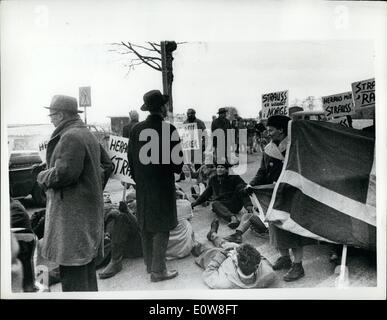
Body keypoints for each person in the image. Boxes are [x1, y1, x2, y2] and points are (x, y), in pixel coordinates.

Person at [37, 95, 113, 291]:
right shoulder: (86, 133)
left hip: (72, 219)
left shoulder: (70, 136)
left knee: (73, 276)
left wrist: (43, 175)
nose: (51, 119)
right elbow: (107, 165)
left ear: (61, 115)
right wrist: (92, 188)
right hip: (85, 216)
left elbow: (65, 174)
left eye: (52, 115)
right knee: (86, 270)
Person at [225, 115, 313, 282]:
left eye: (271, 129)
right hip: (273, 194)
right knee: (275, 226)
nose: (268, 132)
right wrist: (252, 184)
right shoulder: (268, 149)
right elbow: (262, 171)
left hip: (291, 193)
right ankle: (285, 258)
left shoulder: (295, 147)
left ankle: (298, 265)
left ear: (281, 129)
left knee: (291, 229)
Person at [127, 89, 183, 282]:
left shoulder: (135, 130)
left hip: (143, 187)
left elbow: (131, 162)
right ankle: (158, 271)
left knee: (146, 225)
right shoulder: (169, 129)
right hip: (162, 187)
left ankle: (150, 265)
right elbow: (177, 165)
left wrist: (140, 179)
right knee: (162, 227)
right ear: (161, 107)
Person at [193, 219, 276, 289]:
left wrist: (223, 254)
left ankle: (198, 245)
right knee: (227, 244)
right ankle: (213, 235)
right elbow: (261, 258)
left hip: (218, 261)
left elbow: (208, 274)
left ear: (235, 262)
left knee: (209, 250)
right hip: (236, 257)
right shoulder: (268, 274)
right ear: (257, 266)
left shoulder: (222, 283)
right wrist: (237, 249)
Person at [191, 161, 253, 229]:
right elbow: (206, 194)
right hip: (222, 204)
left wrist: (248, 203)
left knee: (241, 188)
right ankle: (233, 218)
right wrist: (194, 203)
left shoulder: (234, 177)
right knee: (214, 204)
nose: (219, 169)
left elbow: (243, 186)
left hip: (234, 203)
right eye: (218, 167)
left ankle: (250, 211)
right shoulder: (213, 179)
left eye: (222, 167)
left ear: (226, 169)